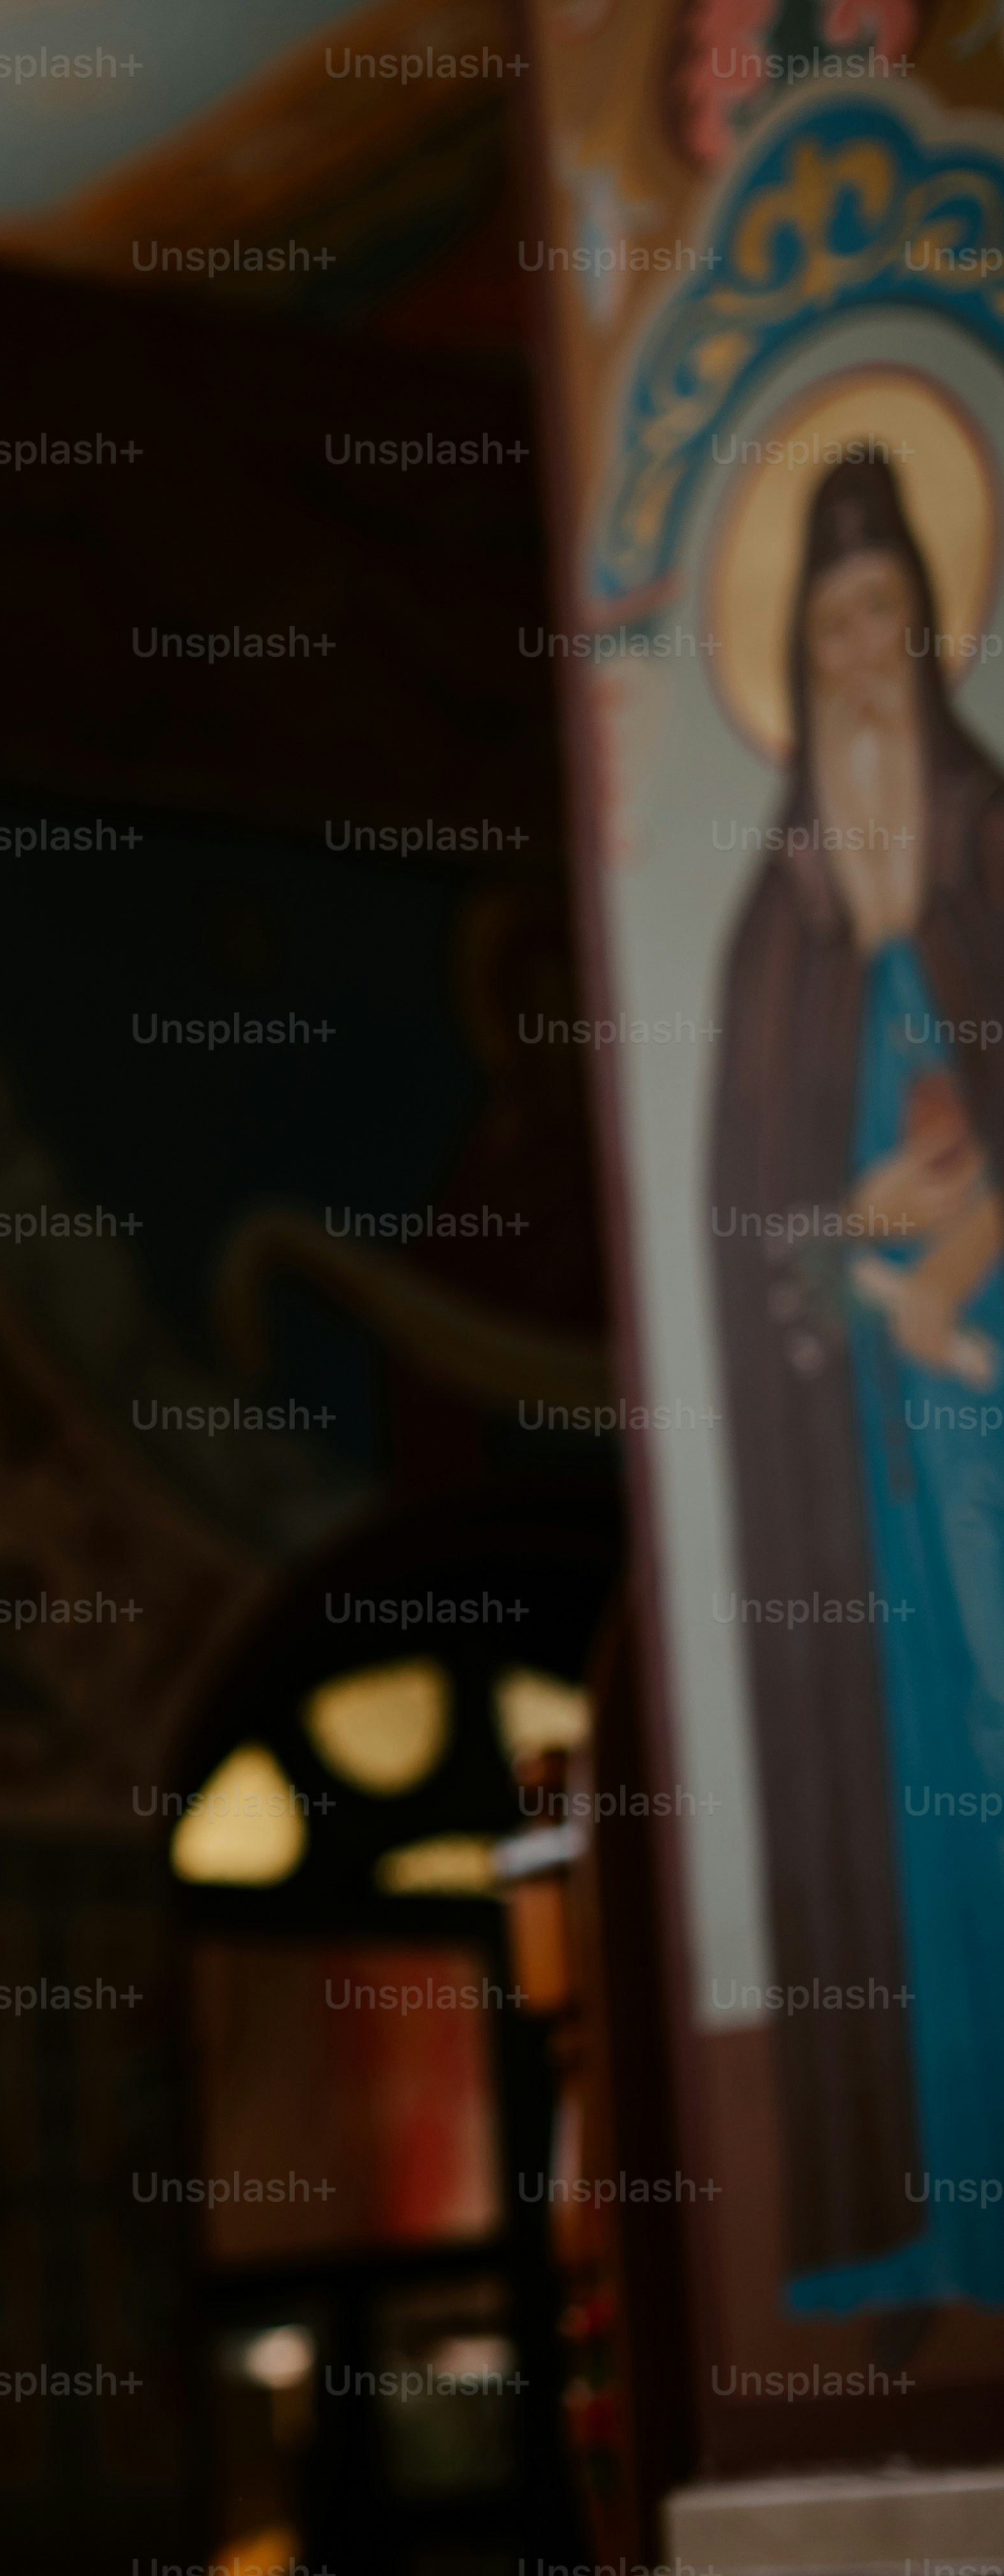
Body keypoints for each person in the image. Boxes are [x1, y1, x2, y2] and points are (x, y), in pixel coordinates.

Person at [710, 446, 1004, 2314]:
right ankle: (939, 2228)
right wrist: (851, 1224)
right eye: (828, 631)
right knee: (910, 1810)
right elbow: (751, 1240)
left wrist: (952, 1249)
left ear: (927, 629)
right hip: (867, 1480)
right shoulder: (778, 932)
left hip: (987, 1402)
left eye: (883, 614)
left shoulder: (990, 855)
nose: (861, 660)